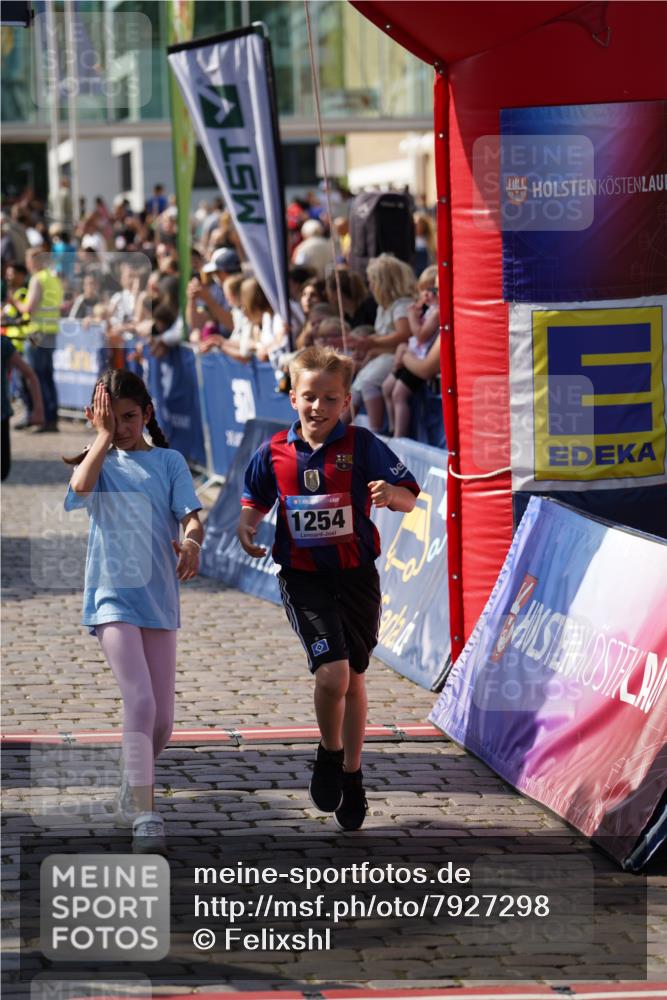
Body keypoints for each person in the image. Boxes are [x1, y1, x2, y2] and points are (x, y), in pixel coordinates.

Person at [238, 346, 419, 831]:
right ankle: (329, 753)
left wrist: (392, 495)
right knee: (333, 676)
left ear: (346, 403)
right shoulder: (274, 451)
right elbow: (254, 497)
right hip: (304, 578)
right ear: (292, 396)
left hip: (357, 576)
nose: (318, 407)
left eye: (330, 399)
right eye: (309, 397)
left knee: (355, 679)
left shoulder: (363, 445)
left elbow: (409, 496)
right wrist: (248, 524)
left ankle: (353, 776)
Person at [63, 369, 203, 853]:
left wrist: (190, 541)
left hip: (159, 601)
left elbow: (191, 515)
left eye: (129, 417)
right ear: (95, 417)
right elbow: (80, 490)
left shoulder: (169, 461)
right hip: (110, 599)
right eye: (111, 418)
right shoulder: (95, 461)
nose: (122, 427)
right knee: (140, 703)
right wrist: (101, 439)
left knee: (162, 722)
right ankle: (146, 812)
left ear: (147, 414)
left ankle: (132, 777)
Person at [348, 254, 416, 432]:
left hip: (396, 355)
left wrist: (371, 342)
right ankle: (337, 431)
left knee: (368, 382)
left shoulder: (401, 305)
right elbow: (380, 337)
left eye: (372, 281)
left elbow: (404, 334)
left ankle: (376, 431)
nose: (369, 286)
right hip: (383, 355)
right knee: (357, 385)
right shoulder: (383, 307)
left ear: (383, 282)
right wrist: (367, 346)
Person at [8, 247, 64, 432]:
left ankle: (39, 417)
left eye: (29, 260)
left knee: (34, 376)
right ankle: (51, 418)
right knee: (47, 376)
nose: (28, 264)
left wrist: (14, 301)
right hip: (51, 331)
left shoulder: (38, 279)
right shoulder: (53, 279)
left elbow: (28, 307)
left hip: (36, 333)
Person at [382, 265, 439, 437]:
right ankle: (392, 428)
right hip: (413, 355)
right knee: (386, 388)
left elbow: (421, 336)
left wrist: (412, 318)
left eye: (432, 290)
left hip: (420, 358)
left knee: (399, 394)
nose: (426, 295)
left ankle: (400, 435)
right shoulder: (430, 310)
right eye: (423, 291)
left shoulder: (437, 312)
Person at [1, 334, 44, 479]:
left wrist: (38, 409)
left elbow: (29, 374)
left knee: (2, 471)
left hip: (2, 415)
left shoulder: (3, 344)